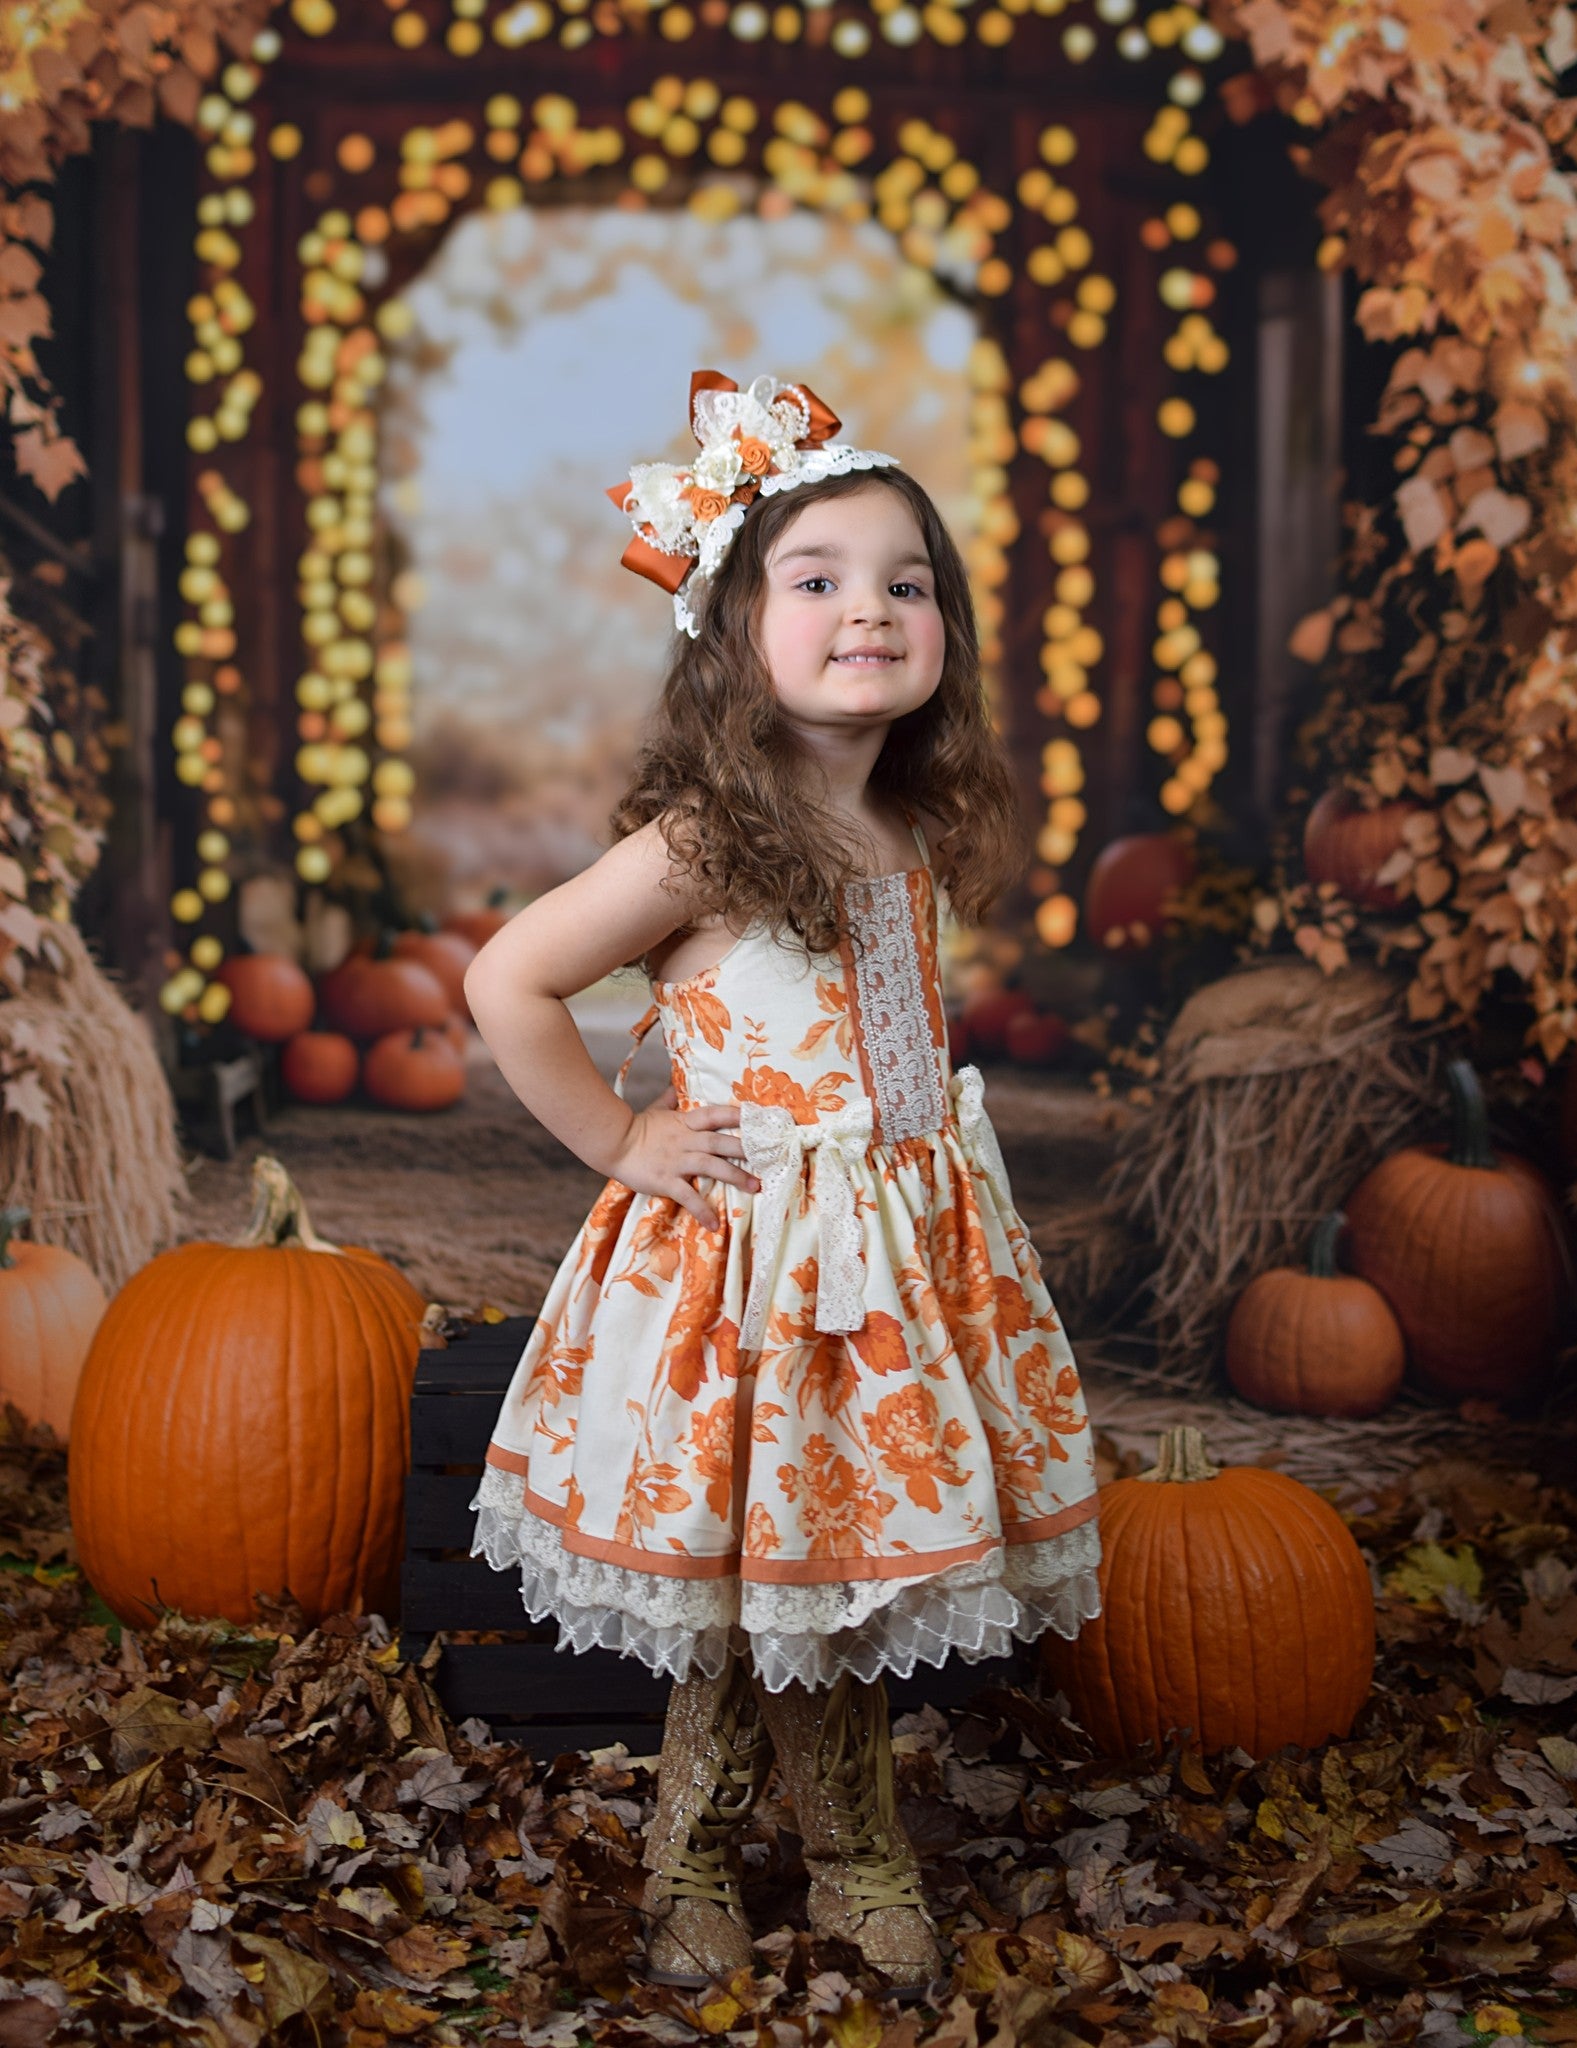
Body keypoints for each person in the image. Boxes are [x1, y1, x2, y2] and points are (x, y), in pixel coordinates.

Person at [465, 370, 1102, 1998]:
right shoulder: (701, 839)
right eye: (814, 580)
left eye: (905, 582)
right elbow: (510, 982)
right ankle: (700, 1847)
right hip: (752, 1270)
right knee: (762, 1574)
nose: (868, 609)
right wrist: (623, 1144)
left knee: (832, 1557)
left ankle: (843, 1839)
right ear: (731, 630)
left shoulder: (898, 823)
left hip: (891, 1263)